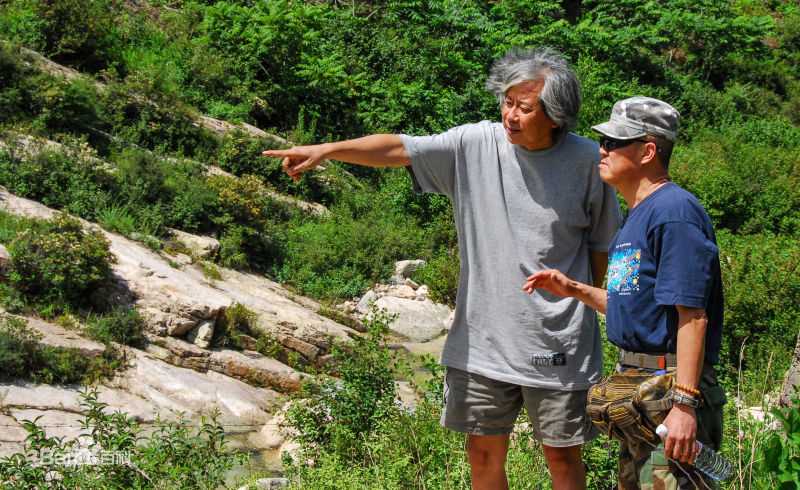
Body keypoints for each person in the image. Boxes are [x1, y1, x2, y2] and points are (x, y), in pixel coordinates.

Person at [264, 47, 621, 490]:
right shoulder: (476, 143)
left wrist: (575, 304)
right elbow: (400, 148)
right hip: (483, 341)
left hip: (556, 341)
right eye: (507, 102)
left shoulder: (588, 161)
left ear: (556, 114)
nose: (510, 115)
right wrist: (328, 150)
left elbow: (601, 247)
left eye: (524, 108)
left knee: (562, 459)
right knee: (482, 455)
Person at [523, 97, 726, 489]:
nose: (602, 150)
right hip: (639, 395)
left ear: (648, 151)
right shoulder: (636, 217)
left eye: (614, 143)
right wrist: (573, 288)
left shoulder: (674, 213)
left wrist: (685, 405)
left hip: (669, 390)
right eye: (603, 142)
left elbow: (693, 315)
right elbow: (632, 306)